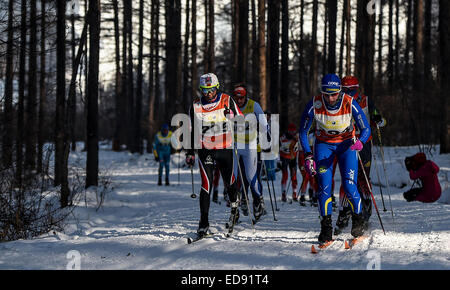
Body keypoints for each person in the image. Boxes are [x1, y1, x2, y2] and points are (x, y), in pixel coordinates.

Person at [298, 73, 371, 244]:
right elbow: (303, 131)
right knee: (324, 187)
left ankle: (358, 221)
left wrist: (361, 142)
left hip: (347, 146)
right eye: (326, 94)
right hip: (324, 146)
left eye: (334, 94)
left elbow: (366, 128)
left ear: (340, 91)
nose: (330, 98)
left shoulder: (349, 102)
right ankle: (326, 228)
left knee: (349, 184)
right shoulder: (315, 104)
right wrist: (308, 155)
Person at [185, 73, 243, 237]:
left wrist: (233, 119)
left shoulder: (227, 100)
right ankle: (203, 222)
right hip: (206, 149)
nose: (208, 94)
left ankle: (234, 209)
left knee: (230, 183)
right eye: (204, 90)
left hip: (225, 147)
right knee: (206, 185)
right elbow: (190, 130)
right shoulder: (195, 106)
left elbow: (241, 118)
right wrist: (190, 152)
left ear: (217, 88)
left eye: (211, 90)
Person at [334, 75, 386, 235]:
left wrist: (378, 119)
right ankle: (344, 211)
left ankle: (366, 205)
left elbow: (382, 121)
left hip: (363, 144)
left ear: (358, 89)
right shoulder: (337, 102)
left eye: (352, 90)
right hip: (346, 144)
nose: (350, 93)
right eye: (346, 90)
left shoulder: (366, 101)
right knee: (347, 179)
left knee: (363, 177)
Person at [232, 85, 270, 221]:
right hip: (235, 144)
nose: (239, 101)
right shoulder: (230, 106)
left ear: (245, 97)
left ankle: (257, 202)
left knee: (251, 178)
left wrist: (267, 134)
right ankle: (234, 210)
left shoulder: (254, 105)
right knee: (233, 178)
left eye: (241, 98)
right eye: (237, 98)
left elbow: (264, 122)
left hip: (250, 145)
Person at [298, 132, 318, 206]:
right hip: (303, 157)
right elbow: (298, 150)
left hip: (311, 157)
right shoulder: (302, 135)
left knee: (312, 177)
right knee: (305, 178)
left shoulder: (313, 136)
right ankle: (302, 196)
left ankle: (312, 195)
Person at [279, 123, 299, 202]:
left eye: (293, 132)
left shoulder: (297, 137)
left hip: (293, 158)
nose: (292, 133)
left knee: (294, 176)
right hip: (284, 157)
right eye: (290, 132)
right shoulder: (283, 137)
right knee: (285, 175)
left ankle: (294, 193)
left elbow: (299, 147)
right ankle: (283, 193)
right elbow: (280, 147)